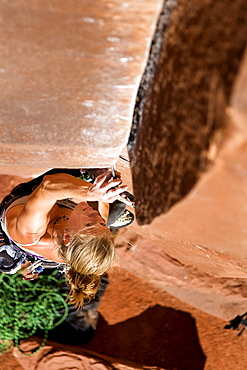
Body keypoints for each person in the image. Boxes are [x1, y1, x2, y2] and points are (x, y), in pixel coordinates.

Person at [0, 168, 130, 309]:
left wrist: (90, 191)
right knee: (114, 204)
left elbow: (48, 185)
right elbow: (100, 215)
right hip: (68, 216)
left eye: (89, 223)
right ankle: (110, 215)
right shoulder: (87, 232)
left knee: (71, 178)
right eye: (101, 225)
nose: (96, 217)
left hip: (33, 194)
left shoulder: (30, 232)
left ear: (67, 237)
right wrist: (104, 188)